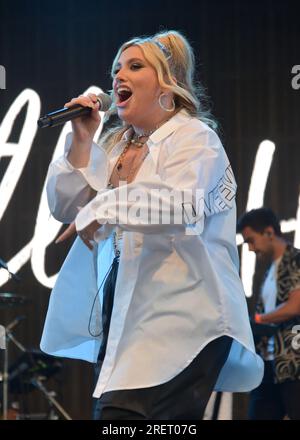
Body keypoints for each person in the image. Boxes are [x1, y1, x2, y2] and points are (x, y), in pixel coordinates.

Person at [40, 30, 263, 420]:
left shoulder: (195, 138)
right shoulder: (114, 147)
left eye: (134, 66)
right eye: (116, 69)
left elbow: (181, 202)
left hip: (184, 317)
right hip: (130, 320)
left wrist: (103, 206)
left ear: (167, 83)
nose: (118, 77)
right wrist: (81, 138)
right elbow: (64, 206)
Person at [237, 208, 300, 420]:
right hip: (269, 367)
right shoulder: (269, 271)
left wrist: (257, 320)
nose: (251, 248)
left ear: (269, 233)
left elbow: (295, 306)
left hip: (294, 365)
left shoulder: (295, 259)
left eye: (251, 241)